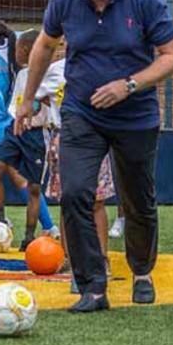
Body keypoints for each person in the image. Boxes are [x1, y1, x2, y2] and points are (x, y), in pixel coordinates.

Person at [16, 0, 173, 313]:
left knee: (137, 200)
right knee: (75, 192)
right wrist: (27, 100)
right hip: (82, 111)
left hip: (135, 116)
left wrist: (129, 85)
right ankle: (93, 283)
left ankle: (142, 271)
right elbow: (45, 44)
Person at [43, 55, 116, 292]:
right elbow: (39, 95)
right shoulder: (54, 70)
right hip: (63, 136)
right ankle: (72, 260)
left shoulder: (99, 63)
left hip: (95, 135)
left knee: (96, 200)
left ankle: (102, 258)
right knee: (69, 200)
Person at [0, 30, 60, 250]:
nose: (15, 52)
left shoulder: (50, 75)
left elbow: (52, 106)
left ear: (28, 49)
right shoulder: (22, 75)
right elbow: (15, 103)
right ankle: (0, 218)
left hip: (37, 135)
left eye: (18, 47)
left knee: (34, 189)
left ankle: (29, 236)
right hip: (16, 130)